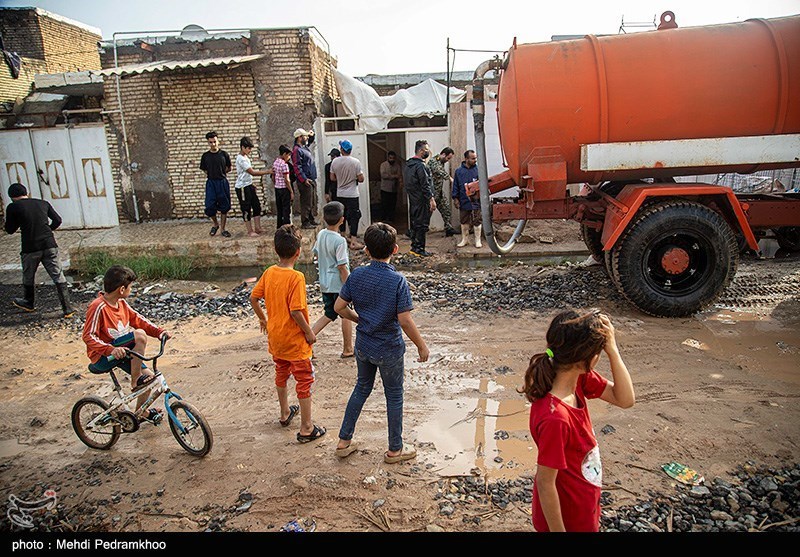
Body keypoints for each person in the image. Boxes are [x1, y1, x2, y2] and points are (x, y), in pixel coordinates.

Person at [521, 309, 634, 532]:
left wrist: (612, 351)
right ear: (587, 359)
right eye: (600, 351)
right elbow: (545, 483)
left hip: (581, 505)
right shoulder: (556, 418)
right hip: (565, 519)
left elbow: (625, 399)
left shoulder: (579, 380)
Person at [333, 222, 430, 462]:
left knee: (362, 388)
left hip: (364, 345)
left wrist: (360, 320)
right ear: (395, 249)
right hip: (389, 348)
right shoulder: (397, 281)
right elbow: (405, 320)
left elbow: (338, 307)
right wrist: (421, 345)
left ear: (366, 250)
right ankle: (395, 449)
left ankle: (344, 441)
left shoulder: (357, 275)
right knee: (394, 395)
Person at [250, 224, 325, 443]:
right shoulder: (296, 278)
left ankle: (284, 413)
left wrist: (262, 319)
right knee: (304, 379)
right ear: (298, 252)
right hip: (294, 341)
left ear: (276, 250)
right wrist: (309, 333)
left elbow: (254, 298)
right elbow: (295, 311)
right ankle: (306, 427)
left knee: (281, 373)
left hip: (276, 338)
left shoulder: (270, 272)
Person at [82, 265, 171, 423]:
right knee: (139, 336)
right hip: (103, 357)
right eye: (131, 286)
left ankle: (140, 413)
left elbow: (138, 320)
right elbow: (88, 336)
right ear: (122, 289)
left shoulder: (121, 304)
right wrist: (110, 349)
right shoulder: (98, 307)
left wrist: (159, 332)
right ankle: (135, 380)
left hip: (123, 353)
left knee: (150, 379)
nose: (132, 289)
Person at [3, 182, 73, 318]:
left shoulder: (13, 207)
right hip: (49, 244)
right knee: (58, 275)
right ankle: (67, 309)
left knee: (29, 275)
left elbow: (10, 229)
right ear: (26, 192)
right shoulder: (43, 203)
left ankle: (29, 303)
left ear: (12, 197)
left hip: (30, 248)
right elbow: (57, 220)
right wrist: (48, 230)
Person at [311, 201, 354, 359]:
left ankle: (307, 340)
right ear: (342, 220)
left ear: (323, 218)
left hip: (324, 283)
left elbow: (316, 253)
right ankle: (348, 348)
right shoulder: (339, 241)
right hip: (339, 285)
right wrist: (350, 285)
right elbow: (342, 266)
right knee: (346, 314)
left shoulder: (321, 234)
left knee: (329, 314)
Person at [329, 139, 365, 249]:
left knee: (342, 216)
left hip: (340, 194)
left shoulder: (335, 162)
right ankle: (353, 241)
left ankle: (343, 236)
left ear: (341, 150)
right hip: (352, 194)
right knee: (354, 216)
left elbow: (332, 178)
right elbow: (361, 179)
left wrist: (341, 179)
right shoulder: (355, 162)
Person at [403, 140, 436, 257]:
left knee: (415, 223)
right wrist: (431, 199)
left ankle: (414, 247)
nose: (428, 152)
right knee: (422, 225)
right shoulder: (420, 166)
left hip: (413, 199)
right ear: (421, 151)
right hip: (422, 200)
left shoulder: (408, 165)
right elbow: (425, 184)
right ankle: (420, 249)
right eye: (426, 150)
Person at [235, 136, 272, 237]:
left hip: (248, 185)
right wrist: (267, 171)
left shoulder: (246, 157)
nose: (249, 150)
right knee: (246, 208)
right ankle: (250, 230)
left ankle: (258, 227)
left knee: (256, 206)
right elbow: (252, 172)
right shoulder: (241, 159)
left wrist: (251, 183)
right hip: (242, 187)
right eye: (248, 148)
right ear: (243, 147)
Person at [200, 131, 233, 238]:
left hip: (222, 182)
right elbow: (204, 169)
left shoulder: (224, 154)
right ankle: (215, 224)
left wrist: (221, 174)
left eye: (215, 142)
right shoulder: (205, 156)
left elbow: (229, 168)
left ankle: (223, 229)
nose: (213, 144)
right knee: (209, 206)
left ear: (218, 141)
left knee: (225, 206)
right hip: (211, 183)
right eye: (210, 142)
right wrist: (212, 174)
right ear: (208, 143)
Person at [452, 150, 482, 248]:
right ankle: (465, 240)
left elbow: (483, 185)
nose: (475, 160)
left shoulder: (479, 170)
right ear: (466, 159)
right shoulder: (459, 171)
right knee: (464, 220)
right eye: (473, 158)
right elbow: (455, 185)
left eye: (475, 158)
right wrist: (455, 198)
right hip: (463, 200)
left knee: (477, 220)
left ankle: (478, 240)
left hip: (476, 200)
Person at [291, 128, 319, 229]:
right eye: (305, 136)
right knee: (306, 201)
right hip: (305, 180)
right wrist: (303, 179)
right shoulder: (296, 150)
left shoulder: (304, 148)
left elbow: (310, 141)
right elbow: (297, 167)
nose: (306, 138)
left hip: (311, 178)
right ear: (299, 137)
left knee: (311, 200)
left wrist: (312, 135)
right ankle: (305, 221)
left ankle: (311, 219)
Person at [427, 147, 457, 237]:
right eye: (448, 158)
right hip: (431, 193)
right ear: (443, 154)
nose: (448, 160)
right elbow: (438, 171)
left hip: (439, 192)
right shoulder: (433, 161)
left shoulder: (441, 162)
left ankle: (448, 228)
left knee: (446, 209)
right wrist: (450, 178)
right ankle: (418, 231)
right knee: (427, 213)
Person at [272, 145, 294, 228]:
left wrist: (275, 183)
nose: (289, 157)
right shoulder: (284, 165)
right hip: (285, 189)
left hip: (277, 188)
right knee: (286, 210)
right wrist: (291, 191)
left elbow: (273, 176)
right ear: (284, 154)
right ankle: (287, 228)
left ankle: (279, 227)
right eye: (288, 155)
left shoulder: (276, 162)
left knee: (280, 209)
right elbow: (287, 180)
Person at [379, 151, 403, 223]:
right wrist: (394, 176)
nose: (391, 159)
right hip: (385, 189)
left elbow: (399, 175)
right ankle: (383, 219)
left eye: (393, 158)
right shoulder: (383, 165)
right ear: (388, 158)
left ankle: (391, 219)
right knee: (384, 205)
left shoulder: (397, 166)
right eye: (390, 158)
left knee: (392, 205)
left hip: (393, 189)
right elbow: (383, 175)